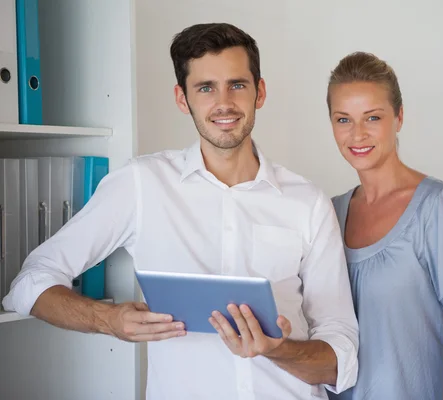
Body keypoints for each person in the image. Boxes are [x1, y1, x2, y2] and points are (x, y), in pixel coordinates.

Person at [2, 23, 359, 400]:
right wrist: (108, 320)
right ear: (181, 98)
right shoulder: (142, 183)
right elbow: (29, 284)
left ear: (260, 92)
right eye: (205, 88)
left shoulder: (307, 202)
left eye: (237, 84)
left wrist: (279, 350)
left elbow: (341, 353)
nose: (224, 102)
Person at [325, 52, 443, 400]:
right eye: (343, 119)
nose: (357, 134)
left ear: (398, 117)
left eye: (372, 117)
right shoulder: (327, 214)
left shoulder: (439, 207)